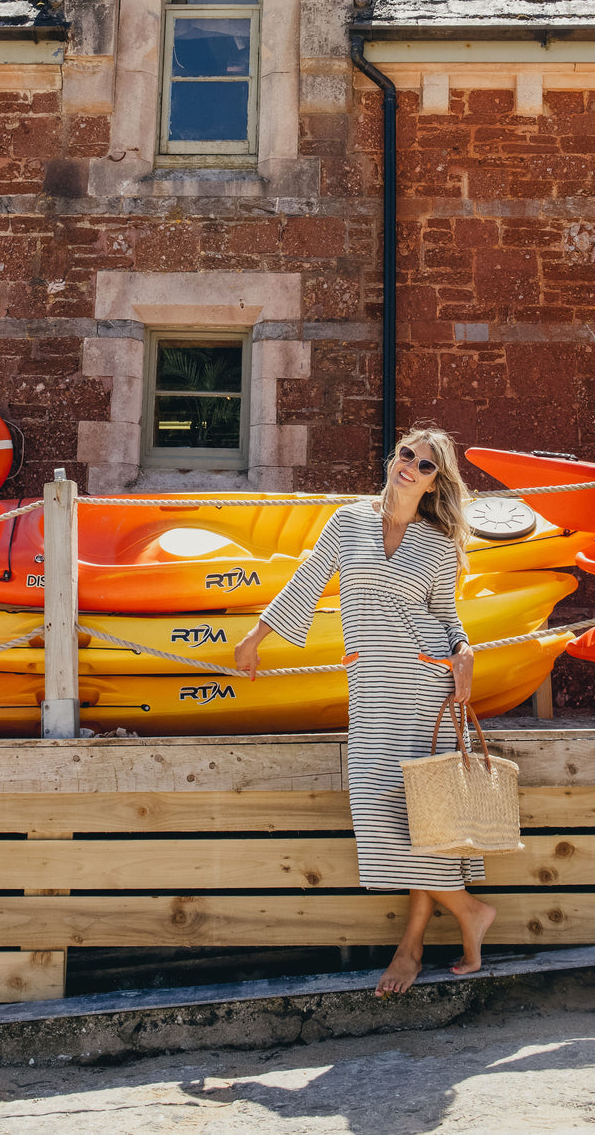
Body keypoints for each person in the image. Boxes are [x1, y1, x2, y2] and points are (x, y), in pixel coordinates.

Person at [234, 424, 495, 996]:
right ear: (393, 459)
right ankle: (467, 911)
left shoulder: (437, 544)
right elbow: (308, 580)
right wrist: (257, 636)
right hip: (373, 688)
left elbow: (446, 615)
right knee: (378, 804)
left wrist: (465, 655)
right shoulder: (348, 522)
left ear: (434, 483)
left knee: (425, 815)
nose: (411, 467)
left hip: (426, 682)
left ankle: (419, 942)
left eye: (426, 466)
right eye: (407, 455)